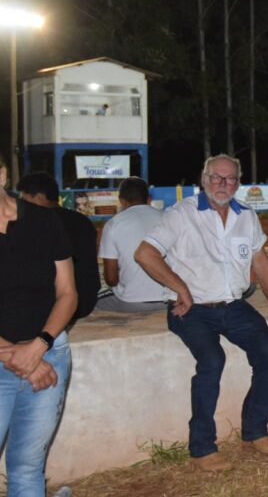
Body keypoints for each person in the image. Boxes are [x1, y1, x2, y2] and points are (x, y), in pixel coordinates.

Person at [135, 154, 268, 472]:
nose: (223, 184)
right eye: (216, 177)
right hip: (191, 309)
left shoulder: (246, 216)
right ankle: (202, 448)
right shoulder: (182, 214)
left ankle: (255, 431)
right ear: (204, 178)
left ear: (238, 182)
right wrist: (180, 288)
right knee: (212, 361)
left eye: (230, 178)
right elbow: (145, 253)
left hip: (233, 306)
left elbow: (260, 262)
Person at [0, 155, 78, 496]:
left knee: (27, 465)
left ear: (1, 174)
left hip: (49, 353)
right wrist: (15, 358)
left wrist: (38, 346)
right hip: (11, 359)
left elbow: (68, 293)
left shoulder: (45, 221)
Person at [17, 172, 100, 320]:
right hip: (88, 301)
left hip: (59, 306)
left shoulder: (38, 223)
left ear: (40, 197)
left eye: (25, 199)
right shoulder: (82, 221)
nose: (22, 204)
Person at [95, 177, 167, 312]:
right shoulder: (168, 218)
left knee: (89, 303)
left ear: (121, 200)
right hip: (170, 299)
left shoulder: (113, 224)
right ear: (149, 198)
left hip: (130, 301)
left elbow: (111, 280)